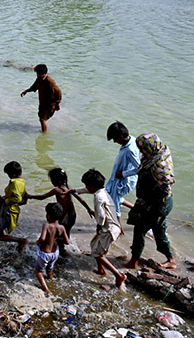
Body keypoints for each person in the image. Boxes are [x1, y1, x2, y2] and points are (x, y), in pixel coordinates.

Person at [122, 134, 177, 270]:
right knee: (159, 231)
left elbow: (163, 189)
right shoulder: (156, 156)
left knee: (140, 229)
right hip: (157, 204)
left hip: (157, 205)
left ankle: (134, 261)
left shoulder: (159, 168)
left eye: (142, 149)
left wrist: (146, 203)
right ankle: (171, 260)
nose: (141, 152)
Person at [73, 168, 126, 289]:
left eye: (86, 185)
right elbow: (88, 190)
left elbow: (101, 216)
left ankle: (118, 275)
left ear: (92, 186)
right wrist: (75, 191)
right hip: (112, 227)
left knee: (97, 253)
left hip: (108, 229)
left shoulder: (98, 197)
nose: (86, 187)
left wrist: (99, 225)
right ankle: (101, 270)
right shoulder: (102, 191)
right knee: (95, 246)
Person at [28, 167, 94, 254]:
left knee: (58, 233)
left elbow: (42, 197)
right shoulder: (69, 188)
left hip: (64, 216)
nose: (52, 182)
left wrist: (30, 196)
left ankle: (61, 249)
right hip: (72, 216)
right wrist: (89, 209)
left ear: (56, 180)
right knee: (67, 231)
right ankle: (66, 244)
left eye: (52, 179)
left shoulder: (57, 190)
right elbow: (81, 199)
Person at [104, 121, 141, 234]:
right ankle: (136, 208)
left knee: (114, 205)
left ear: (121, 136)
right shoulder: (132, 140)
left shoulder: (130, 150)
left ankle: (120, 230)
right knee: (112, 195)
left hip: (123, 181)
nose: (115, 142)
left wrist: (123, 174)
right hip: (118, 177)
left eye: (115, 139)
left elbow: (140, 168)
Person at [0, 161, 28, 252]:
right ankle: (7, 242)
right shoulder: (21, 182)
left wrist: (5, 200)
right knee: (0, 228)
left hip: (8, 210)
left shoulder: (15, 183)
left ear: (13, 174)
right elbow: (24, 198)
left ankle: (20, 241)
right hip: (9, 209)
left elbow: (17, 198)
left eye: (8, 174)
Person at [35, 203, 69, 295]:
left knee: (38, 271)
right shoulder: (62, 227)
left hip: (44, 253)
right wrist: (57, 237)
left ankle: (46, 289)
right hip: (55, 253)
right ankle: (51, 279)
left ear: (49, 215)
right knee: (49, 269)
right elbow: (67, 242)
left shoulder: (46, 225)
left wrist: (37, 242)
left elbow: (42, 238)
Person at [20, 64, 62, 133]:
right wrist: (26, 91)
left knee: (43, 119)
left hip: (50, 103)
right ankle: (44, 129)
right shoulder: (39, 78)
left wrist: (57, 103)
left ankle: (44, 135)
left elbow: (58, 91)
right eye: (37, 73)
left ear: (44, 73)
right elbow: (34, 87)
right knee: (41, 117)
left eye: (38, 74)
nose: (37, 75)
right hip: (43, 102)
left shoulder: (50, 81)